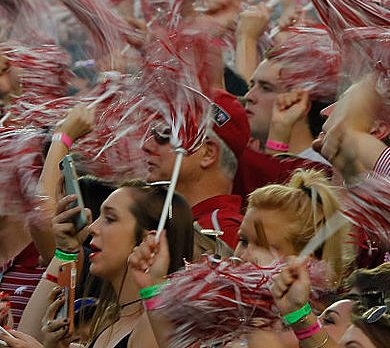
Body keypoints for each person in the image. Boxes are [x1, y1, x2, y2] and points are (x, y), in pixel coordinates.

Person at [19, 181, 195, 348]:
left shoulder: (155, 329)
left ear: (149, 241)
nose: (92, 228)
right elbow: (25, 336)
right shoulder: (108, 320)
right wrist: (66, 251)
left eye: (110, 218)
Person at [140, 90, 251, 248]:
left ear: (208, 153)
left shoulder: (225, 232)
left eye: (165, 134)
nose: (146, 146)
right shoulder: (177, 220)